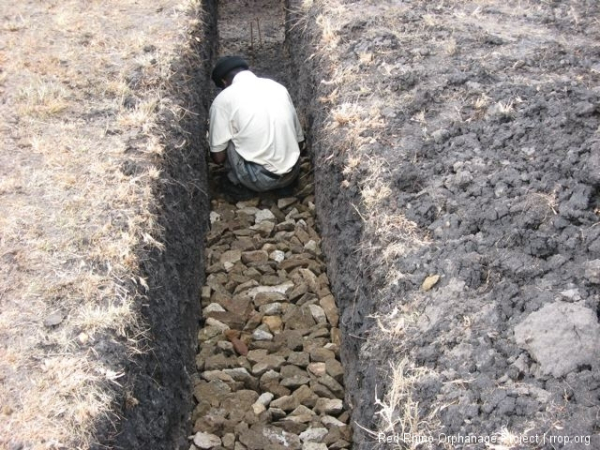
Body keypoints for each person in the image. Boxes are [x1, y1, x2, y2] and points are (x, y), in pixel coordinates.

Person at [208, 56, 305, 196]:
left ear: (224, 81)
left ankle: (241, 187)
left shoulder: (223, 100)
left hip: (257, 179)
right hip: (291, 174)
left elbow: (218, 158)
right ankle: (282, 186)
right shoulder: (278, 88)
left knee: (226, 138)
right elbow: (299, 142)